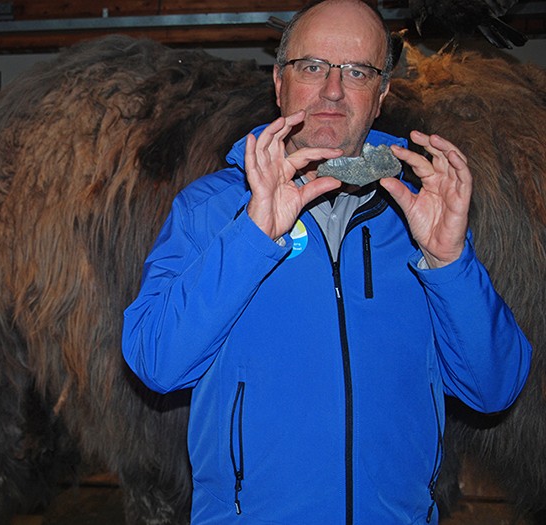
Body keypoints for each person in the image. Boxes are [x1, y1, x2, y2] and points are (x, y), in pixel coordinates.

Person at [121, 0, 533, 523]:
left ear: (381, 94)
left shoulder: (423, 217)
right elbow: (155, 363)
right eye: (312, 67)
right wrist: (252, 235)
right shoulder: (209, 210)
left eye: (357, 71)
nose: (333, 90)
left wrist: (450, 262)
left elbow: (493, 389)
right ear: (278, 82)